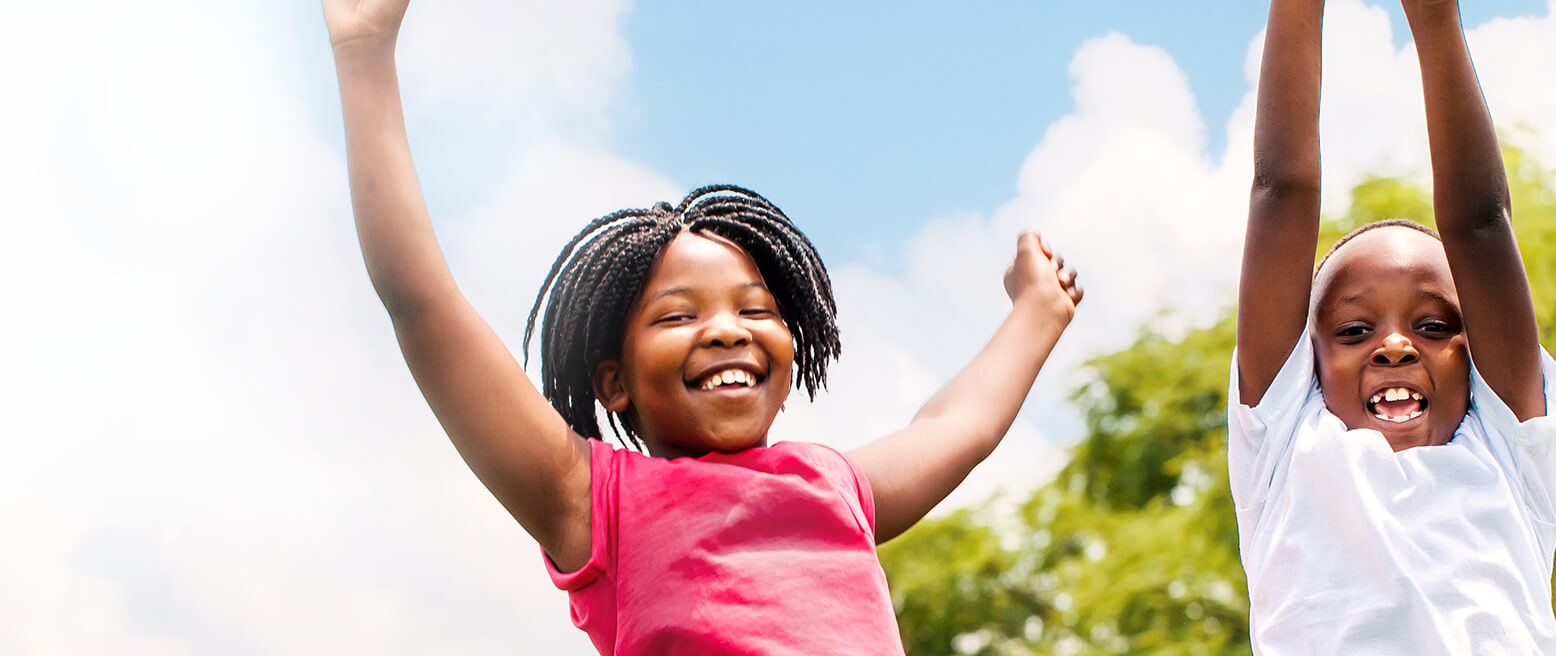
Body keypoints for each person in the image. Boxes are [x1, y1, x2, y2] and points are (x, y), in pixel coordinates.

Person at [322, 1, 1084, 653]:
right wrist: (364, 52)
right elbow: (422, 304)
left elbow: (958, 426)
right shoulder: (597, 502)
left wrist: (1037, 311)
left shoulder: (833, 485)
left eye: (755, 310)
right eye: (680, 316)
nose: (728, 331)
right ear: (613, 381)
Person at [1231, 0, 1556, 652]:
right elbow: (1283, 186)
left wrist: (1435, 19)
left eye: (1432, 325)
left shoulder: (1507, 455)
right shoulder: (1286, 448)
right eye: (1355, 330)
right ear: (1308, 364)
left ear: (1474, 359)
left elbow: (1479, 224)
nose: (1395, 345)